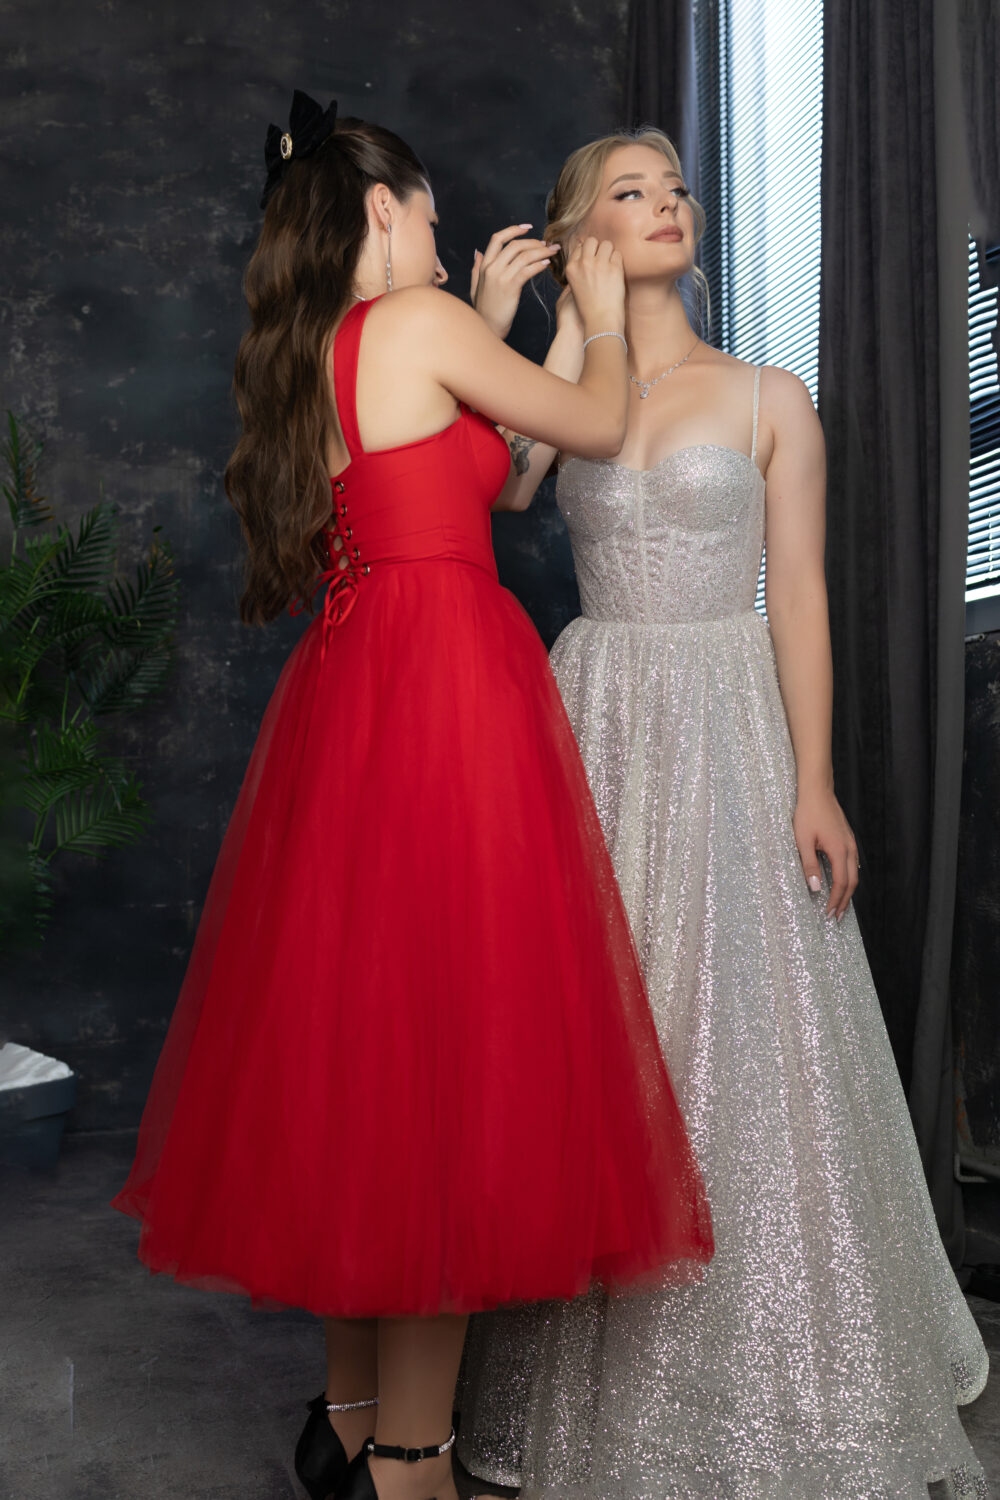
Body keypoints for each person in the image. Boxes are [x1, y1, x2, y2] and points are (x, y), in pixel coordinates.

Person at [111, 97, 713, 1500]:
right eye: (434, 217)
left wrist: (506, 327)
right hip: (444, 692)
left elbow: (484, 481)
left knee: (367, 1070)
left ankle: (348, 1418)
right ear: (381, 211)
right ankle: (413, 1465)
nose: (447, 243)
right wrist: (599, 313)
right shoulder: (422, 326)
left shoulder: (321, 352)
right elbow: (601, 426)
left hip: (355, 697)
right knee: (443, 1077)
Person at [458, 129, 990, 1499]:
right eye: (630, 194)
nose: (669, 207)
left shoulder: (768, 396)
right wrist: (547, 327)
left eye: (677, 189)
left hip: (729, 717)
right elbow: (495, 489)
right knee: (606, 1022)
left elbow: (797, 594)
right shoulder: (564, 387)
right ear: (582, 232)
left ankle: (792, 1355)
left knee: (745, 1030)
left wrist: (815, 779)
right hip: (598, 720)